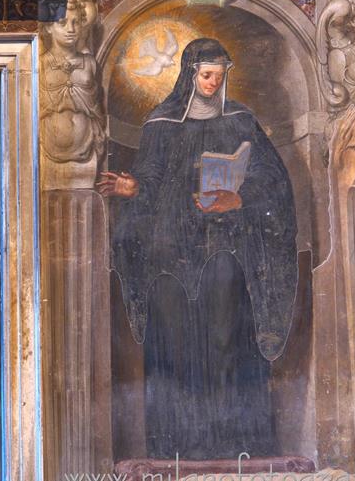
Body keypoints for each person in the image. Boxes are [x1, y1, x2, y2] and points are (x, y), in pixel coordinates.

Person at [99, 38, 297, 459]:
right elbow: (150, 179)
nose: (214, 82)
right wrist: (131, 186)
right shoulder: (161, 122)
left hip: (228, 247)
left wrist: (239, 199)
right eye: (207, 74)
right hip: (169, 252)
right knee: (174, 339)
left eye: (220, 75)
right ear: (190, 73)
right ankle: (178, 446)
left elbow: (273, 179)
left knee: (226, 334)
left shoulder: (241, 120)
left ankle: (237, 445)